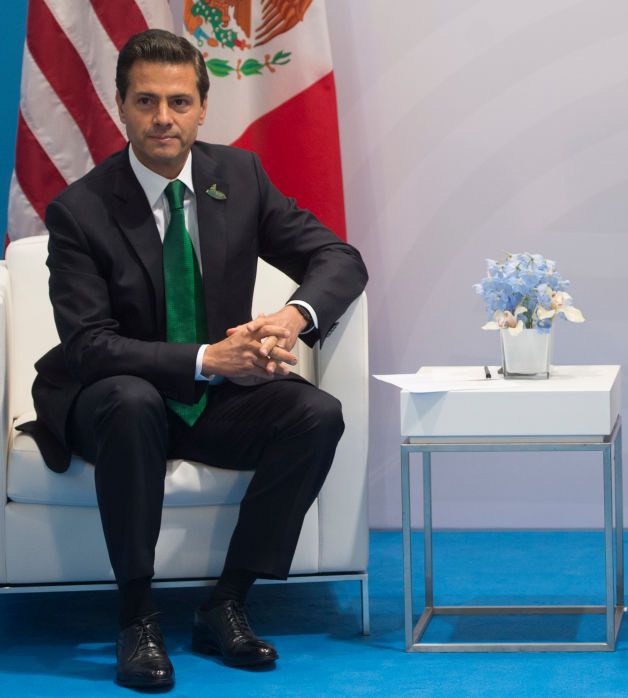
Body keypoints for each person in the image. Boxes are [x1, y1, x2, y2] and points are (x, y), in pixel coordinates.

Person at [17, 29, 368, 689]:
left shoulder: (239, 177)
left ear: (203, 108)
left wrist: (291, 317)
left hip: (212, 401)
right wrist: (212, 356)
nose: (162, 118)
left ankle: (227, 602)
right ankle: (137, 617)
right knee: (131, 400)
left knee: (315, 413)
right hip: (108, 397)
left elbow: (338, 260)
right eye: (145, 101)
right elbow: (90, 344)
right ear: (120, 106)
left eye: (179, 102)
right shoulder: (81, 211)